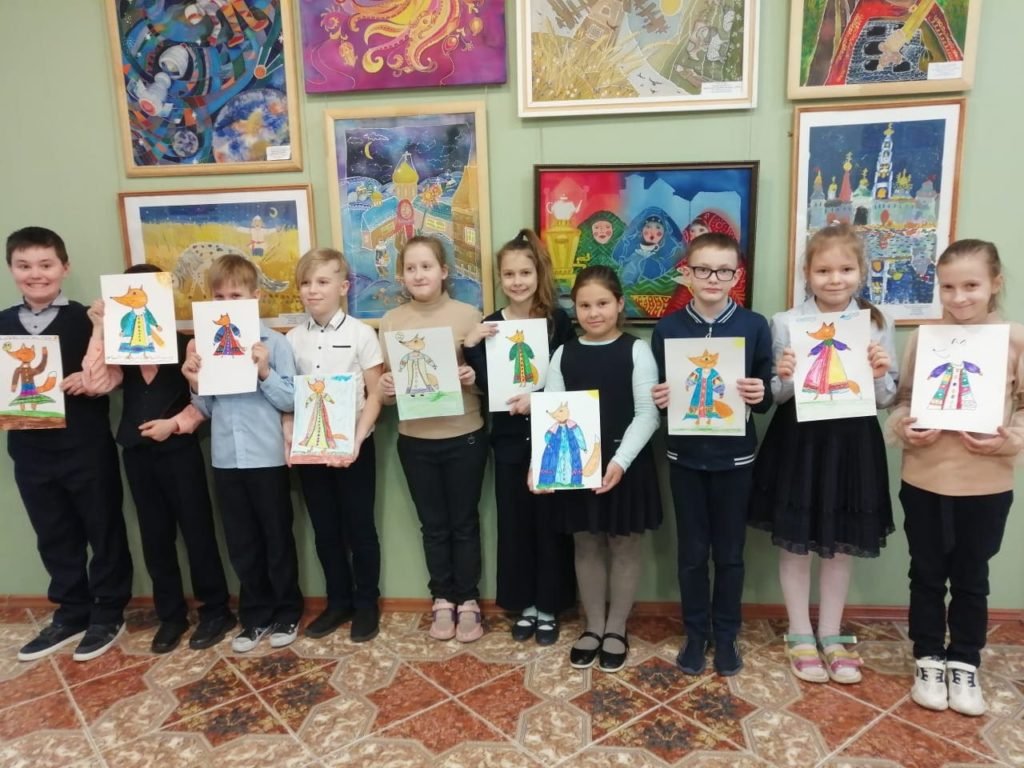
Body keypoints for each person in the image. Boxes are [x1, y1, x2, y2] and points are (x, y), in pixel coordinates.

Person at [750, 224, 897, 685]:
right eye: (824, 270)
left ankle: (831, 634)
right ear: (807, 273)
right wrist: (785, 375)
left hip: (852, 442)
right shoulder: (785, 322)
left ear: (861, 272)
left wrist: (880, 374)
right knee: (795, 542)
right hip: (800, 440)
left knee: (840, 545)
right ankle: (799, 633)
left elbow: (886, 398)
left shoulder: (877, 323)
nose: (835, 279)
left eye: (846, 269)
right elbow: (775, 396)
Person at [887, 239, 1023, 717]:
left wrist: (1008, 440)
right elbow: (903, 400)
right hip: (924, 478)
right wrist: (904, 427)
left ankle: (965, 661)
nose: (959, 297)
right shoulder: (925, 339)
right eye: (948, 287)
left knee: (971, 575)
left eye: (971, 285)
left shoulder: (1014, 339)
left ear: (995, 284)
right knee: (925, 572)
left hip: (986, 482)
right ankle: (927, 657)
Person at [81, 264, 234, 654]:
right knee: (155, 536)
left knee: (198, 531)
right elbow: (95, 384)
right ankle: (171, 615)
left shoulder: (188, 345)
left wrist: (175, 425)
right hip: (137, 454)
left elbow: (205, 400)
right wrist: (99, 330)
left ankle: (216, 610)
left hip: (180, 451)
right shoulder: (121, 349)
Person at [3, 226, 132, 663]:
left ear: (64, 267)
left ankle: (109, 612)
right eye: (24, 266)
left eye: (45, 264)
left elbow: (115, 375)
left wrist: (93, 380)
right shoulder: (2, 324)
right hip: (29, 451)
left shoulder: (87, 319)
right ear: (11, 269)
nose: (36, 274)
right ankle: (71, 611)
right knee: (53, 533)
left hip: (85, 446)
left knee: (103, 528)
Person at [651, 232, 773, 677]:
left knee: (730, 554)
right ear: (687, 273)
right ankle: (695, 632)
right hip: (685, 458)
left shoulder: (754, 326)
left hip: (735, 460)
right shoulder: (667, 329)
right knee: (691, 554)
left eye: (723, 271)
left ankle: (726, 634)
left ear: (736, 276)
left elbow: (765, 396)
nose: (713, 278)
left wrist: (760, 393)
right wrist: (660, 398)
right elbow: (659, 393)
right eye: (703, 269)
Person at [541, 265, 661, 673]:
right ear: (574, 309)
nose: (594, 313)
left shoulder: (636, 350)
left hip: (625, 465)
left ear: (619, 304)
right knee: (586, 544)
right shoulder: (564, 354)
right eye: (585, 305)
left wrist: (619, 462)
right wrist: (543, 467)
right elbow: (553, 413)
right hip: (579, 467)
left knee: (624, 545)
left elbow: (647, 414)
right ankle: (592, 626)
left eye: (603, 304)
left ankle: (616, 628)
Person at [181, 254, 303, 653]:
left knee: (276, 537)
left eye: (235, 295)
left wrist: (265, 371)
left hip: (267, 457)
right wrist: (195, 382)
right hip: (226, 458)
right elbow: (207, 408)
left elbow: (292, 400)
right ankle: (255, 616)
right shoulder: (206, 346)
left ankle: (287, 611)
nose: (226, 302)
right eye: (219, 297)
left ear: (255, 297)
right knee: (241, 542)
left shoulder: (275, 343)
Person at [463, 229, 576, 645]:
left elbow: (572, 376)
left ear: (538, 273)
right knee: (515, 525)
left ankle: (550, 605)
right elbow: (489, 386)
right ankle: (524, 603)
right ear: (500, 277)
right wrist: (471, 346)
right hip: (509, 440)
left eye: (525, 273)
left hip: (553, 436)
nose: (517, 281)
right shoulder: (491, 325)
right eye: (509, 274)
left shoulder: (557, 321)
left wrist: (540, 399)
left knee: (551, 526)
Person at [378, 236, 488, 643]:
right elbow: (387, 393)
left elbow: (488, 382)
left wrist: (472, 377)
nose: (419, 274)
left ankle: (469, 600)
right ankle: (442, 597)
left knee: (464, 523)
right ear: (401, 276)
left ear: (444, 271)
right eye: (410, 268)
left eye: (426, 266)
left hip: (465, 435)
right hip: (415, 440)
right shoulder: (391, 322)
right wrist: (387, 389)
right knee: (434, 526)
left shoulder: (468, 316)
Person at [284, 248, 384, 642]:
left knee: (360, 529)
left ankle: (366, 604)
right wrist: (289, 435)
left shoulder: (362, 334)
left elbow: (376, 394)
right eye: (306, 283)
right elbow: (289, 398)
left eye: (322, 282)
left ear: (343, 287)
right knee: (325, 530)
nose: (312, 290)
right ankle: (337, 602)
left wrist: (356, 442)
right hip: (311, 450)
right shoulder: (292, 340)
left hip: (355, 448)